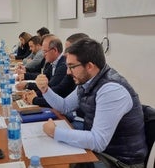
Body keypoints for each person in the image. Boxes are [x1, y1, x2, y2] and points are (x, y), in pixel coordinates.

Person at [36, 38, 147, 167]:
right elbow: (64, 106)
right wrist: (45, 90)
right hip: (103, 151)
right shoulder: (87, 80)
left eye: (72, 66)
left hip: (120, 161)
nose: (68, 72)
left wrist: (56, 132)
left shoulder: (111, 90)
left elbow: (98, 141)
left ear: (89, 66)